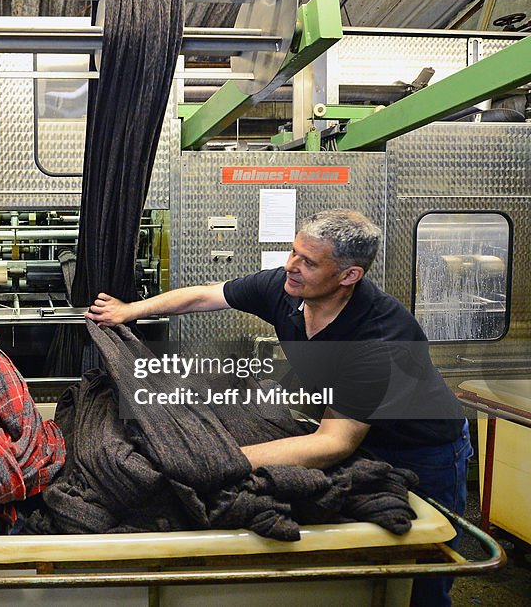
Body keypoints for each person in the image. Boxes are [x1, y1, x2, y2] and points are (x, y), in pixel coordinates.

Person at [87, 209, 470, 606]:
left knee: (422, 569)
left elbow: (335, 443)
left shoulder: (378, 339)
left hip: (422, 447)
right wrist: (129, 310)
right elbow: (206, 294)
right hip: (355, 433)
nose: (291, 266)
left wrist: (217, 458)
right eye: (293, 252)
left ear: (349, 275)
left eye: (308, 261)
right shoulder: (285, 289)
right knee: (364, 562)